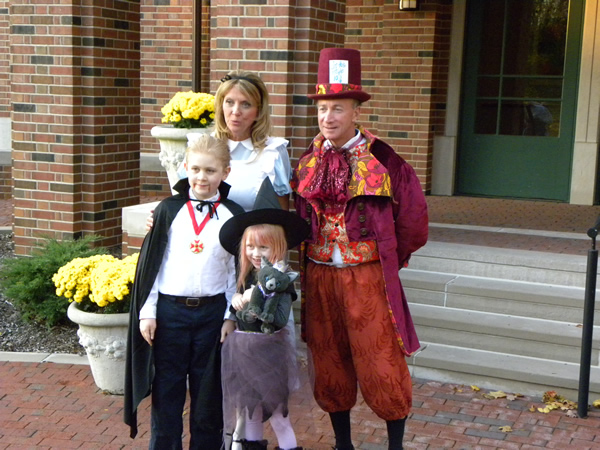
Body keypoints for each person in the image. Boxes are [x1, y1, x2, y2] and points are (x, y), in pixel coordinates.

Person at [291, 48, 429, 450]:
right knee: (328, 360)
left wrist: (385, 260)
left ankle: (395, 446)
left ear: (355, 110)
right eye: (322, 109)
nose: (328, 117)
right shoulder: (307, 162)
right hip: (319, 276)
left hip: (367, 278)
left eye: (337, 108)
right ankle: (343, 444)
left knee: (381, 361)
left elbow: (414, 222)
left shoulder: (384, 161)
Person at [124, 134, 244, 449]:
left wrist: (230, 316)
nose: (202, 177)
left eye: (210, 170)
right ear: (185, 168)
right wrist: (147, 312)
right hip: (170, 315)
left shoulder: (233, 215)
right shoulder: (168, 210)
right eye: (195, 169)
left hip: (212, 316)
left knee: (208, 397)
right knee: (167, 392)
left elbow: (235, 271)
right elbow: (153, 265)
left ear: (225, 172)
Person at [219, 178, 310, 450]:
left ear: (278, 247)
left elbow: (279, 317)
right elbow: (239, 302)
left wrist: (255, 296)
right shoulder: (247, 275)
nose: (255, 253)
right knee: (251, 412)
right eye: (250, 247)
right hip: (244, 354)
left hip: (270, 355)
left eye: (263, 247)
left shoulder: (280, 280)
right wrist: (237, 299)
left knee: (279, 415)